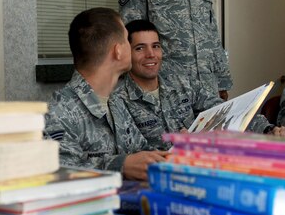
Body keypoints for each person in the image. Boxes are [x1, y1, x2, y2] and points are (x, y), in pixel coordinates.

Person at [116, 20, 281, 149]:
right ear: (126, 53)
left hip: (201, 164)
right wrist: (182, 146)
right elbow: (131, 155)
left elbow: (228, 111)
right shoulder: (118, 99)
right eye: (139, 48)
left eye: (156, 46)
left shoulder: (182, 83)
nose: (151, 54)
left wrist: (268, 130)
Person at [44, 8, 167, 180]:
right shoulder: (58, 112)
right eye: (126, 39)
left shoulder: (115, 103)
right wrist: (120, 165)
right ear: (118, 51)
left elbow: (141, 153)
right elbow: (59, 174)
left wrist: (179, 150)